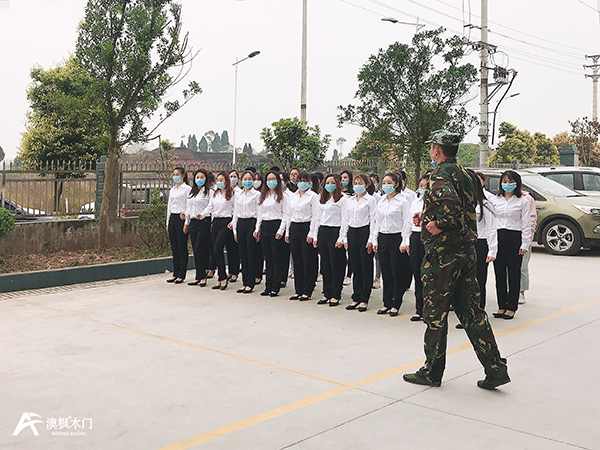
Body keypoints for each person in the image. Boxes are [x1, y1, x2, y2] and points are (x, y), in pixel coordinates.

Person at [404, 129, 509, 390]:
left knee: (436, 313)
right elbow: (464, 207)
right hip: (466, 252)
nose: (431, 152)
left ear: (437, 149)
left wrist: (438, 223)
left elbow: (449, 205)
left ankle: (432, 371)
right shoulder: (467, 174)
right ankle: (495, 369)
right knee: (471, 312)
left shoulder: (440, 175)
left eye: (431, 148)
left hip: (443, 256)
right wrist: (428, 218)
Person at [491, 170, 532, 320]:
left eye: (510, 182)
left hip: (515, 237)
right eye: (504, 182)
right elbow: (491, 222)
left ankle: (511, 307)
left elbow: (526, 224)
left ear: (517, 183)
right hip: (498, 237)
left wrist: (525, 243)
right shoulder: (495, 200)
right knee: (499, 274)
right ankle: (501, 305)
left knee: (513, 274)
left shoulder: (522, 201)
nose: (507, 185)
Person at [372, 172, 412, 317]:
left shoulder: (403, 201)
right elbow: (377, 221)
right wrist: (375, 239)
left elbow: (407, 222)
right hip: (383, 237)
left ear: (396, 184)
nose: (386, 185)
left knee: (397, 272)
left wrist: (404, 240)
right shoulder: (381, 201)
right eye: (384, 182)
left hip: (397, 238)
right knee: (386, 272)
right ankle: (386, 302)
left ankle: (396, 303)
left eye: (389, 182)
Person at [342, 174, 377, 312]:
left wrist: (371, 239)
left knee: (366, 266)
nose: (357, 185)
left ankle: (364, 298)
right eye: (355, 183)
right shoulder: (349, 200)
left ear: (366, 185)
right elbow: (345, 219)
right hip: (352, 232)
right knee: (355, 266)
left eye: (360, 182)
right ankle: (356, 296)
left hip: (365, 232)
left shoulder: (370, 200)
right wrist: (344, 238)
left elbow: (374, 220)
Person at [285, 171, 320, 300]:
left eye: (305, 180)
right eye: (300, 180)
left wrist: (312, 233)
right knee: (297, 259)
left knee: (308, 260)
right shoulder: (293, 196)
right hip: (294, 227)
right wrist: (287, 232)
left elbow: (316, 216)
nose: (302, 183)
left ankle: (307, 289)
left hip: (307, 227)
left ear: (309, 182)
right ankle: (298, 289)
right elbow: (288, 215)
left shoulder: (313, 196)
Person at [314, 174, 348, 307]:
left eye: (332, 182)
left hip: (336, 232)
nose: (330, 185)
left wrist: (342, 238)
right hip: (323, 231)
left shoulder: (343, 199)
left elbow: (345, 219)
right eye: (327, 182)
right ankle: (326, 292)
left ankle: (336, 294)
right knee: (325, 265)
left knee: (336, 265)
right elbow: (317, 217)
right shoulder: (321, 198)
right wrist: (315, 235)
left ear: (338, 184)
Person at [255, 170, 289, 297]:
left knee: (276, 258)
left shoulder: (282, 196)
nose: (271, 182)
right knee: (268, 258)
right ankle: (268, 286)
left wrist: (281, 230)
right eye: (268, 179)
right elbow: (260, 214)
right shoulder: (262, 196)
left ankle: (275, 286)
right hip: (265, 226)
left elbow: (286, 215)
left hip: (276, 226)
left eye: (273, 179)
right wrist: (257, 229)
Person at [200, 172, 236, 290]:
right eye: (218, 180)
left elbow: (236, 209)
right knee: (216, 252)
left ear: (226, 181)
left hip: (226, 222)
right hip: (215, 222)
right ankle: (221, 277)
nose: (219, 182)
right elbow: (210, 207)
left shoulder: (232, 193)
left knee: (218, 248)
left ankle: (224, 277)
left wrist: (233, 222)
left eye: (222, 180)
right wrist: (202, 214)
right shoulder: (214, 194)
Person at [232, 170, 262, 294]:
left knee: (251, 254)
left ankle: (251, 282)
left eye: (250, 179)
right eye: (245, 179)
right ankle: (244, 282)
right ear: (241, 181)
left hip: (251, 223)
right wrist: (234, 229)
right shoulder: (238, 194)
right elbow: (235, 212)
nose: (247, 181)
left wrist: (257, 229)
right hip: (241, 223)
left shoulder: (256, 195)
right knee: (242, 254)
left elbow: (260, 212)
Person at [184, 169, 212, 287]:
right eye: (197, 177)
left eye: (202, 177)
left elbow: (211, 207)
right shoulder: (191, 192)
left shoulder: (209, 192)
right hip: (193, 223)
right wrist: (186, 221)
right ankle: (199, 274)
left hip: (203, 222)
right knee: (196, 249)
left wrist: (203, 214)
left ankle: (203, 276)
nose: (199, 179)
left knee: (201, 247)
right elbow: (188, 208)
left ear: (206, 179)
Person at [408, 174, 429, 321]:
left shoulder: (438, 203)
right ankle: (419, 309)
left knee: (430, 276)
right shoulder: (415, 202)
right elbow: (408, 223)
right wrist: (406, 241)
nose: (423, 188)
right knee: (417, 274)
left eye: (426, 186)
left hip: (431, 238)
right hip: (416, 237)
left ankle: (430, 310)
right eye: (421, 186)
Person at [166, 167, 191, 284]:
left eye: (177, 174)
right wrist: (167, 223)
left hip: (182, 218)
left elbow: (189, 206)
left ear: (183, 176)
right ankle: (175, 273)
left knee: (182, 247)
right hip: (173, 218)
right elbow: (169, 207)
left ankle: (182, 273)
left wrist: (186, 221)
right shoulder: (172, 190)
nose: (175, 176)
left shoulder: (187, 189)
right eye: (174, 174)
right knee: (174, 247)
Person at [519, 190, 537, 304]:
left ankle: (521, 292)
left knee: (522, 266)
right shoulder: (499, 198)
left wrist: (528, 238)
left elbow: (532, 219)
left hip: (523, 236)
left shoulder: (527, 199)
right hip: (506, 237)